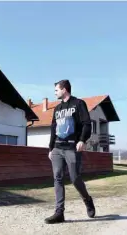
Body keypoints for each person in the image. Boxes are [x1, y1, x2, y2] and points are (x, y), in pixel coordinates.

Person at [44, 80, 96, 224]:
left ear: (64, 89)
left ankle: (87, 199)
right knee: (58, 178)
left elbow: (86, 123)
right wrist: (50, 148)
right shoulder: (57, 109)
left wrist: (82, 140)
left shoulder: (78, 104)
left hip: (73, 147)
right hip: (57, 149)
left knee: (74, 178)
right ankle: (59, 212)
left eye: (56, 90)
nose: (55, 92)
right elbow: (53, 129)